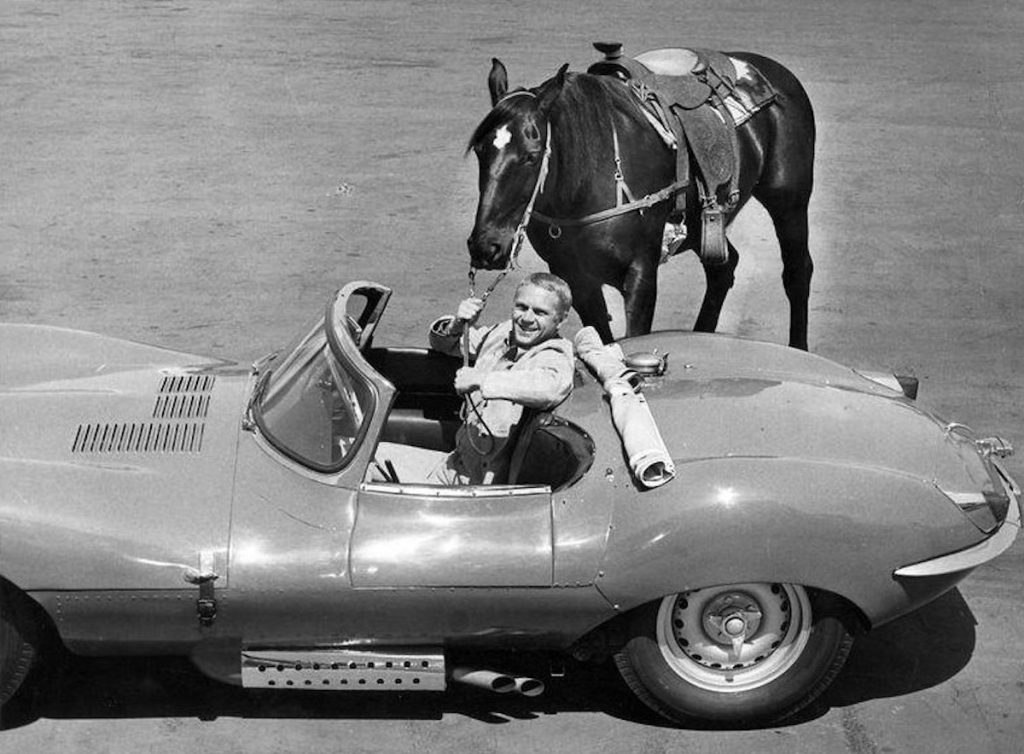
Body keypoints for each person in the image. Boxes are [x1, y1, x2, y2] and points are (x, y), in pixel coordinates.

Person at [374, 272, 575, 485]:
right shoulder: (503, 334)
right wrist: (457, 324)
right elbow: (445, 344)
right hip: (454, 465)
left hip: (478, 487)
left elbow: (550, 386)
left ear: (561, 319)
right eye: (522, 307)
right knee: (365, 457)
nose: (526, 318)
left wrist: (482, 380)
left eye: (540, 312)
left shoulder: (554, 354)